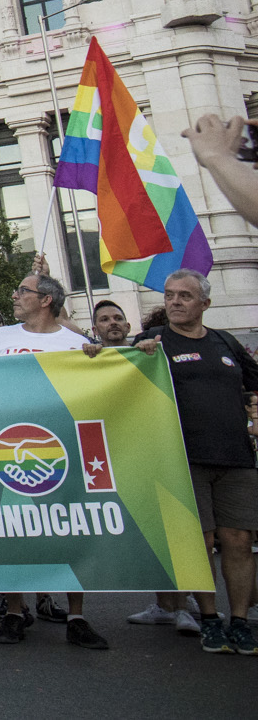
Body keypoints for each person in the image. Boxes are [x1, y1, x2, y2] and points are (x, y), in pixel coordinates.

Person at [125, 269, 258, 655]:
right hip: (185, 460)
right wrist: (139, 353)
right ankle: (210, 619)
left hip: (237, 458)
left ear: (205, 303)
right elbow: (120, 375)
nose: (175, 301)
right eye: (169, 295)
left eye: (184, 295)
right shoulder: (153, 341)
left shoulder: (226, 342)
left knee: (239, 539)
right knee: (201, 541)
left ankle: (239, 621)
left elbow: (254, 383)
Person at [0, 273, 107, 648]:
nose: (14, 295)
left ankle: (77, 616)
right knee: (14, 531)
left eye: (22, 291)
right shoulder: (2, 338)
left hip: (60, 449)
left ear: (46, 300)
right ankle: (16, 612)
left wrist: (100, 359)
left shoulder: (75, 343)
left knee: (68, 529)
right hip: (8, 446)